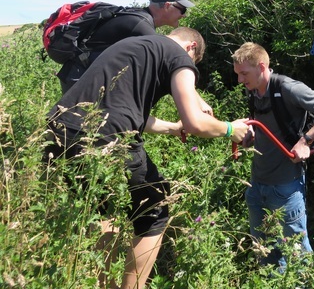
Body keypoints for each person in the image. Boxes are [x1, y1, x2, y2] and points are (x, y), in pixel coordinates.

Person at [44, 27, 250, 289]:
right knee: (155, 208)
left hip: (60, 131)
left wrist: (173, 128)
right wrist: (231, 129)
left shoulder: (131, 44)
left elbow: (126, 112)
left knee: (102, 208)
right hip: (108, 138)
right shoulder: (180, 57)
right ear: (192, 48)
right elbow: (196, 122)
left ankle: (103, 283)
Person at [232, 42, 314, 269]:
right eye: (238, 74)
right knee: (263, 248)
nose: (240, 80)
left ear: (261, 67)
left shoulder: (288, 88)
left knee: (296, 252)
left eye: (244, 74)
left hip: (286, 187)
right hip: (257, 184)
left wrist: (305, 141)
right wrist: (252, 133)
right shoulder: (254, 91)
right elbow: (264, 123)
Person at [57, 0, 194, 93]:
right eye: (182, 10)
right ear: (167, 5)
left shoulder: (138, 17)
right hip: (79, 76)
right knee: (75, 125)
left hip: (79, 73)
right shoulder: (140, 24)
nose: (184, 15)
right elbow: (167, 57)